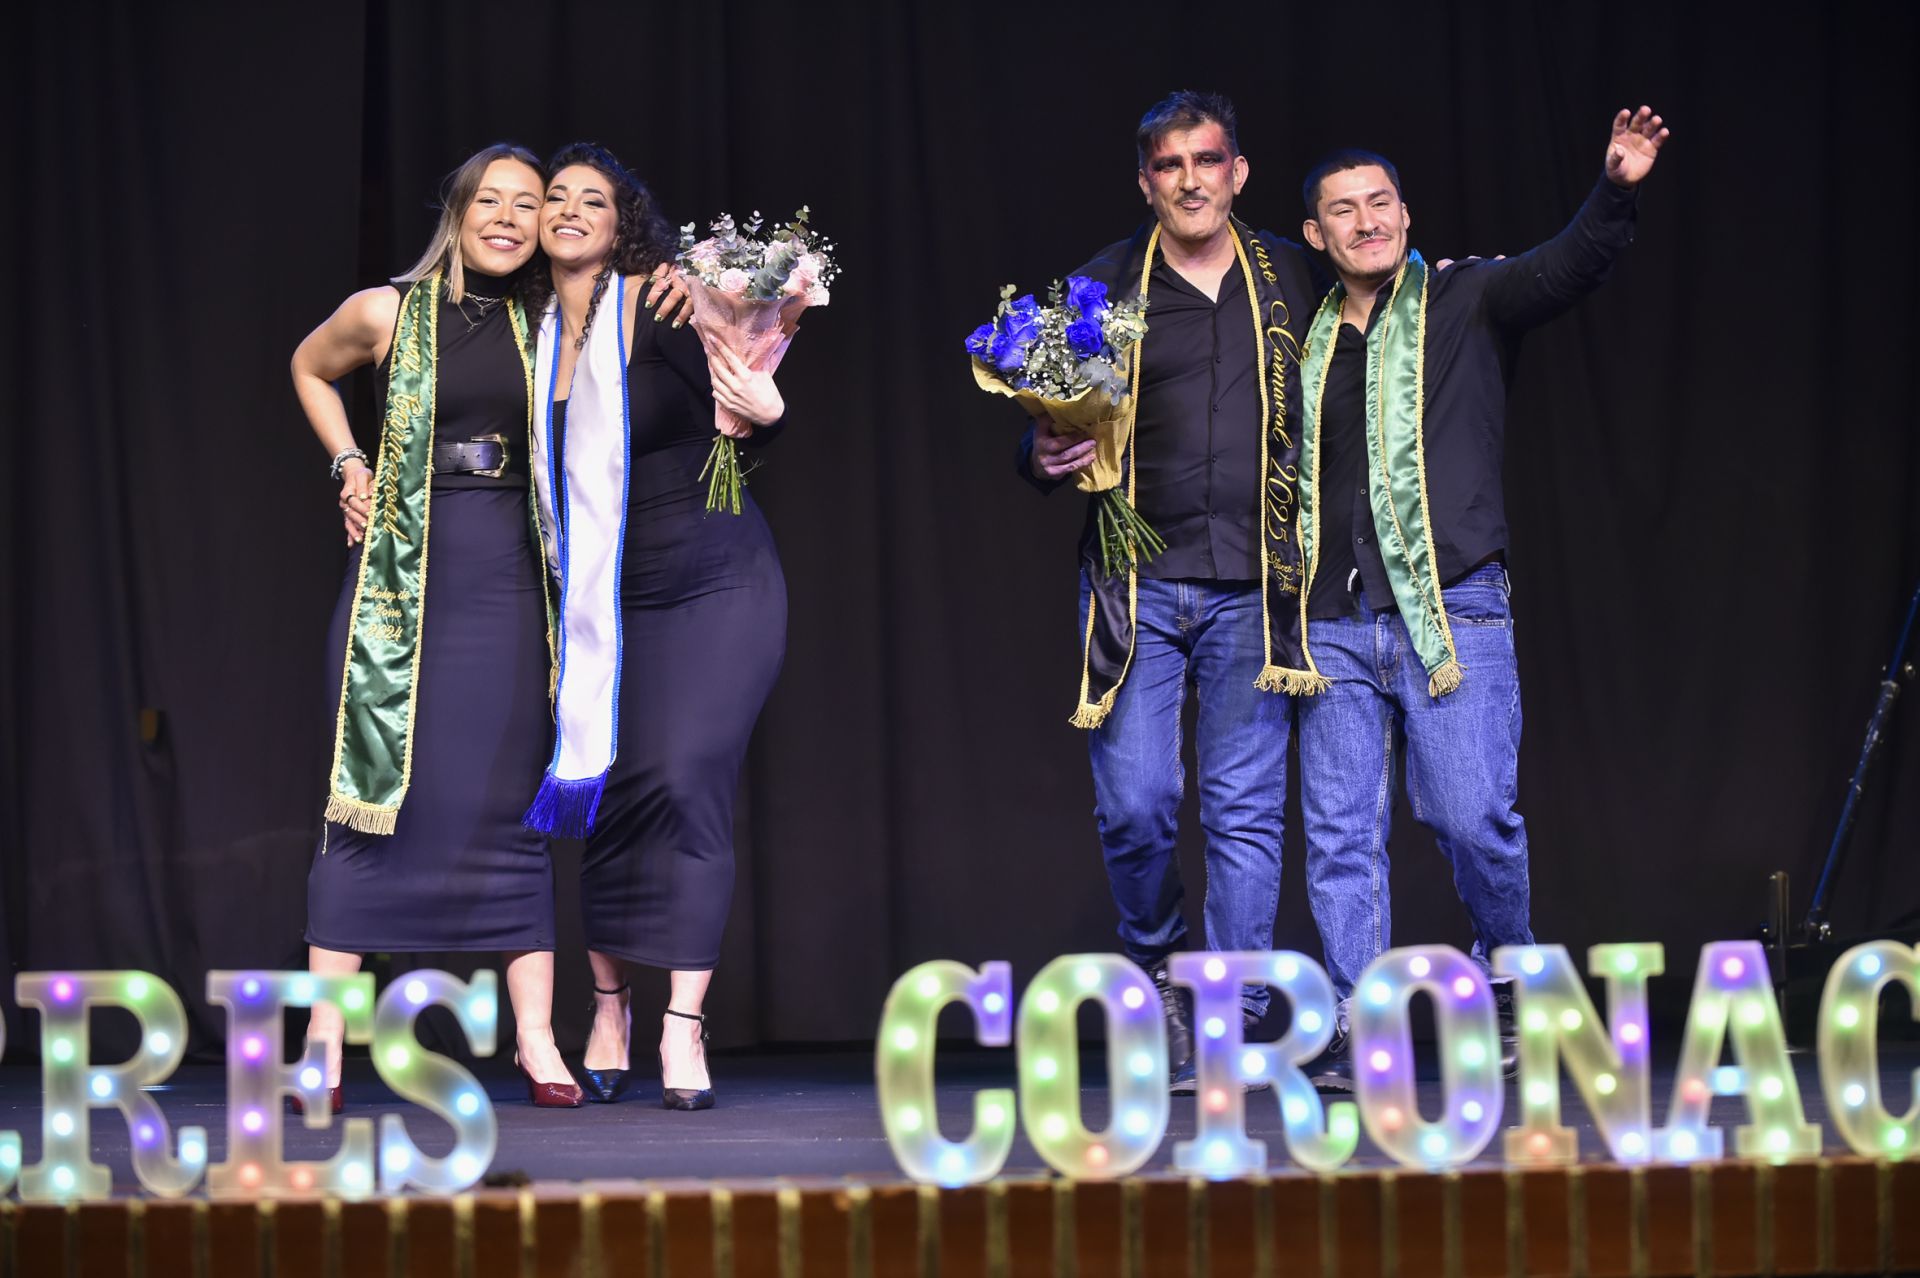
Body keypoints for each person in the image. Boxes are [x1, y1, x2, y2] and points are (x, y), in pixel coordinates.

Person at [290, 144, 688, 1111]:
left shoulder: (553, 320)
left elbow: (643, 319)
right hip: (407, 577)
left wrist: (683, 282)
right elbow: (309, 367)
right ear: (458, 212)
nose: (510, 217)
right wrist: (348, 464)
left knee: (512, 807)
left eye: (528, 203)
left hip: (512, 579)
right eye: (492, 201)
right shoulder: (389, 309)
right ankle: (324, 1049)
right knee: (366, 805)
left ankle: (539, 1043)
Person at [1292, 108, 1669, 1091]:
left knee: (1470, 817)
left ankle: (1509, 979)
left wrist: (1616, 189)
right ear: (1316, 236)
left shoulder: (1466, 298)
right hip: (1331, 619)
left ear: (1406, 217)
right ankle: (1351, 1023)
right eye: (1344, 210)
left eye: (1380, 204)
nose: (1366, 221)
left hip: (1455, 608)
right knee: (1339, 837)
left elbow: (1566, 265)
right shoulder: (1305, 339)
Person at [1022, 92, 1322, 1091]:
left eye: (1208, 159)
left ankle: (1226, 1010)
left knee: (1243, 815)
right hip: (1137, 587)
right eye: (1169, 164)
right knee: (1140, 803)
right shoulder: (1102, 285)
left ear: (1238, 171)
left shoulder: (1292, 275)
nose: (1190, 178)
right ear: (1145, 180)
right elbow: (1041, 431)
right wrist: (1043, 447)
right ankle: (1158, 963)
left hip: (1253, 589)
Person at [523, 142, 787, 1110]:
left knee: (686, 779)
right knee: (613, 787)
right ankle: (609, 1008)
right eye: (557, 197)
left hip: (718, 578)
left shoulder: (666, 301)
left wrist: (768, 401)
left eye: (594, 198)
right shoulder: (528, 331)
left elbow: (747, 410)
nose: (571, 209)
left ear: (623, 221)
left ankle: (682, 1023)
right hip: (603, 599)